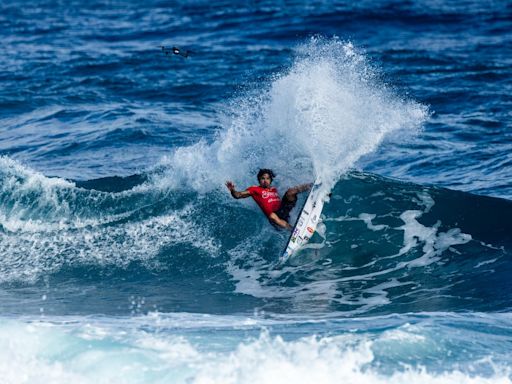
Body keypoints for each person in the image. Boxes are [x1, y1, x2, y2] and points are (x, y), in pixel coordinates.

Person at [226, 169, 312, 230]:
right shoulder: (254, 189)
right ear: (259, 180)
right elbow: (238, 195)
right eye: (263, 178)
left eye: (267, 178)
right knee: (272, 216)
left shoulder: (274, 189)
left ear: (271, 180)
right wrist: (233, 190)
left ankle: (312, 185)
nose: (265, 180)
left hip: (284, 210)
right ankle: (293, 231)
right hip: (275, 220)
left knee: (290, 192)